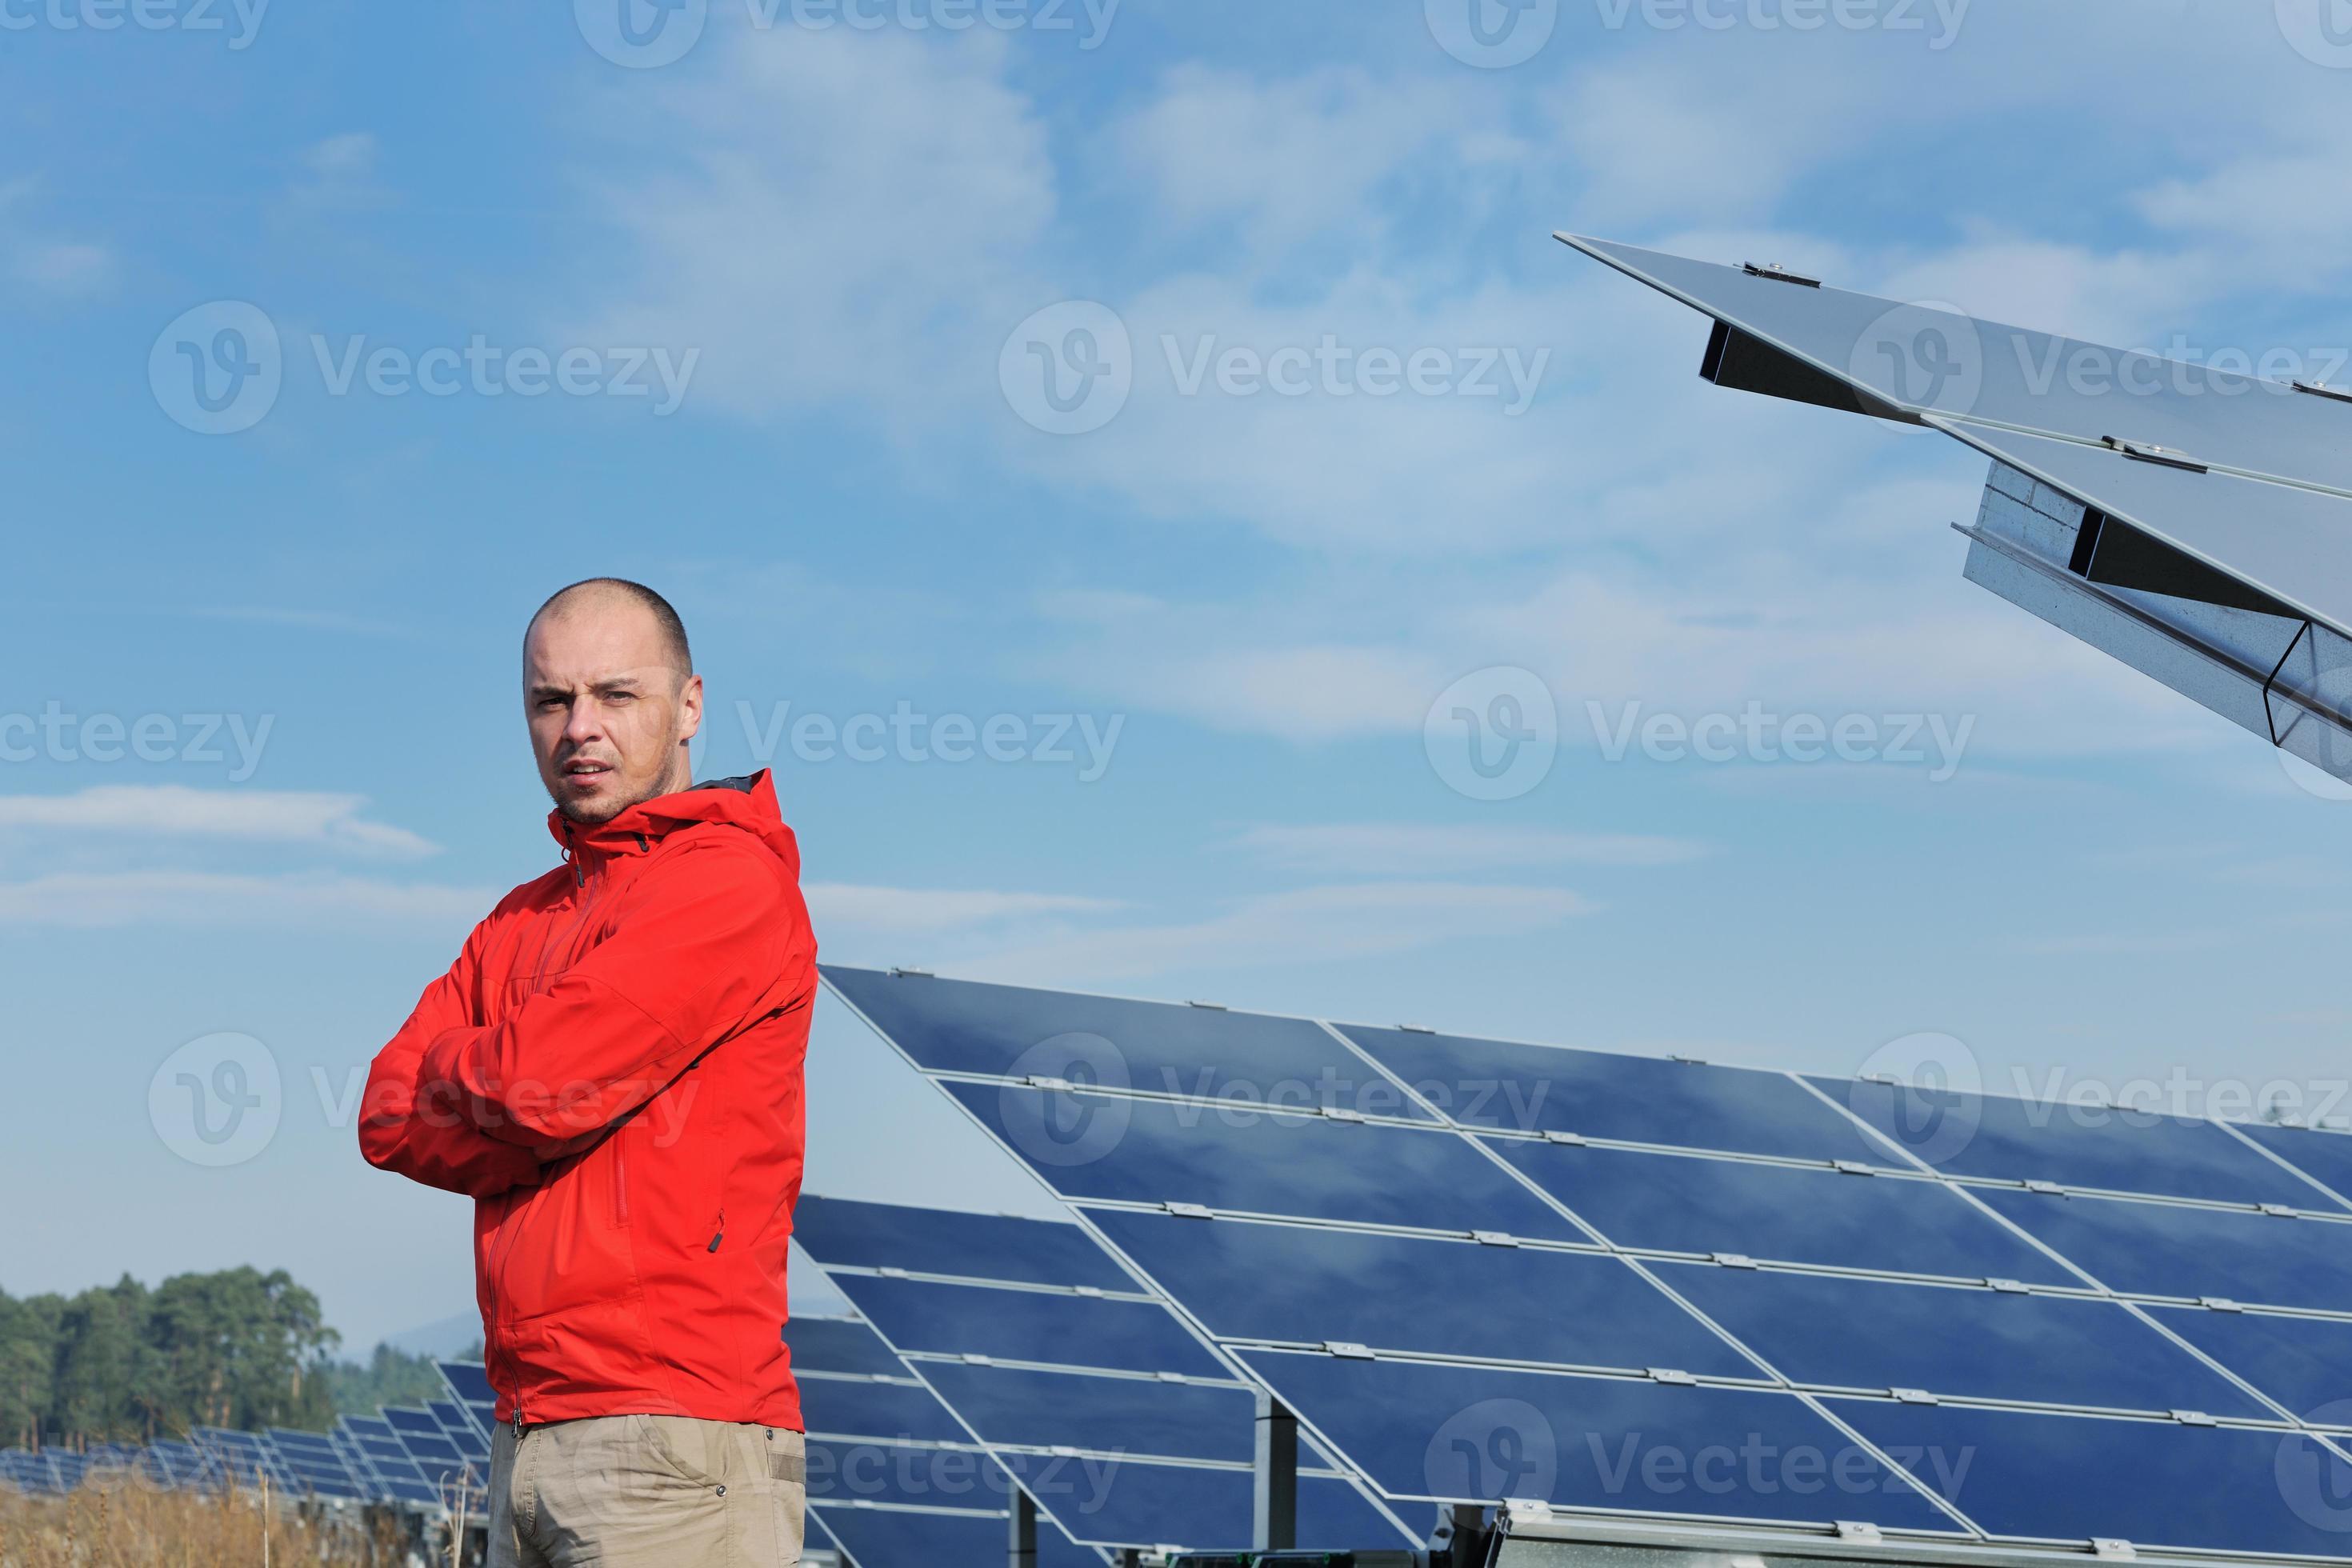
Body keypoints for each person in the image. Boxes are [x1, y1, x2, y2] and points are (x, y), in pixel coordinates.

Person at [358, 578, 818, 1566]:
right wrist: (538, 1121)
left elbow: (535, 1086)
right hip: (524, 1432)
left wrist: (509, 1096)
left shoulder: (724, 880)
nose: (580, 728)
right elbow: (388, 1110)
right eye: (550, 700)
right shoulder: (521, 918)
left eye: (617, 695)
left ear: (689, 704)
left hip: (672, 1441)